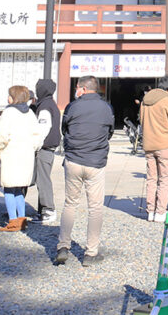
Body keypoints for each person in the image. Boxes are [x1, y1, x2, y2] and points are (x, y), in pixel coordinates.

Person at [55, 75, 115, 266]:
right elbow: (110, 132)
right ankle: (90, 252)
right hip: (95, 161)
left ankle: (63, 245)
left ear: (81, 88)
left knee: (70, 203)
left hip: (73, 159)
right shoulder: (106, 108)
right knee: (95, 207)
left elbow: (64, 129)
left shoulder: (73, 107)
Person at [0, 85, 44, 232]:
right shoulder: (30, 113)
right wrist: (32, 148)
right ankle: (22, 219)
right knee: (19, 189)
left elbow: (2, 136)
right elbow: (38, 136)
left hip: (10, 154)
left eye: (9, 95)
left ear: (14, 97)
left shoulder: (8, 113)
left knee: (9, 188)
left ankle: (12, 221)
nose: (7, 98)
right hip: (26, 155)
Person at [139, 77, 168, 222]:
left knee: (151, 179)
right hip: (164, 144)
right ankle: (160, 212)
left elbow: (141, 119)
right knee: (164, 179)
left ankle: (150, 211)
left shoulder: (145, 100)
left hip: (148, 144)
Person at [32, 78, 61, 225]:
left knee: (43, 181)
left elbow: (42, 131)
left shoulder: (44, 106)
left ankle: (48, 210)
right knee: (43, 179)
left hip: (44, 149)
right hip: (49, 148)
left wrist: (35, 146)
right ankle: (42, 211)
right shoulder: (50, 104)